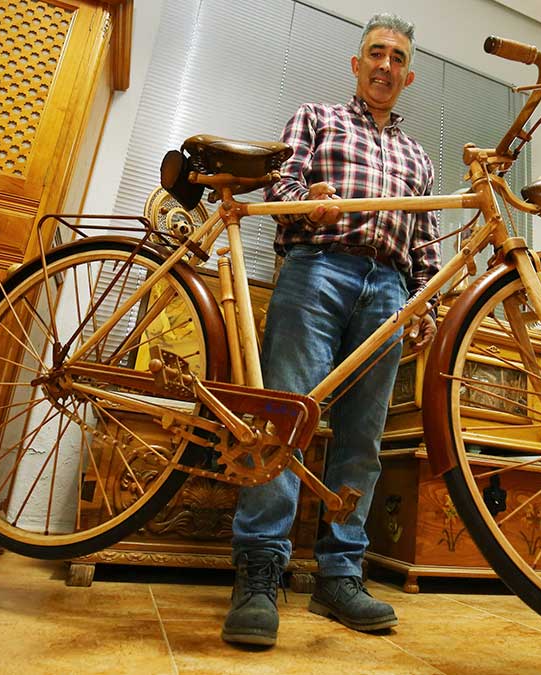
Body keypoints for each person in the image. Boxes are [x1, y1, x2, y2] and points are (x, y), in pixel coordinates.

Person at [222, 13, 440, 647]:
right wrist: (306, 193)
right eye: (376, 53)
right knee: (283, 419)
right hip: (317, 268)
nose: (385, 66)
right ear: (356, 63)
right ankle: (260, 566)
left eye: (397, 59)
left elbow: (424, 242)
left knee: (362, 439)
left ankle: (340, 575)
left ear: (408, 75)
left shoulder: (419, 157)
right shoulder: (316, 117)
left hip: (390, 291)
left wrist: (423, 303)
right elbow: (279, 184)